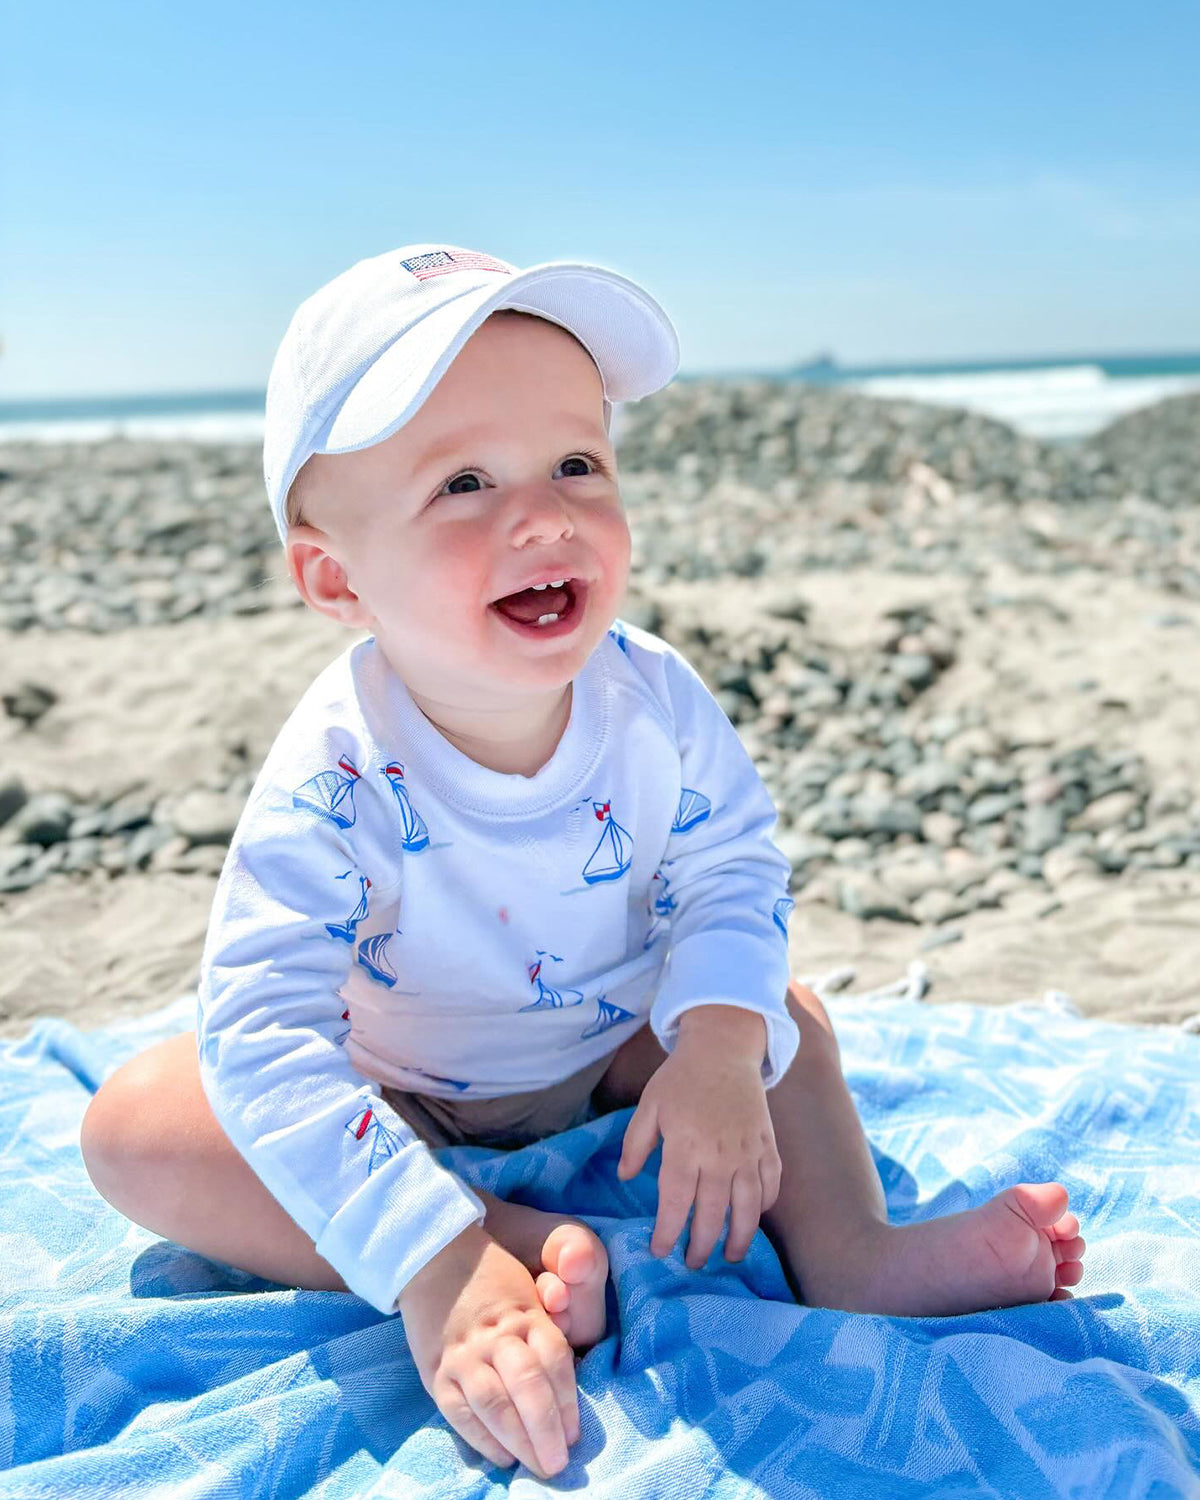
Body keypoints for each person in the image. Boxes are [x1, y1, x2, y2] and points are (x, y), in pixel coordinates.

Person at [81, 243, 1087, 1482]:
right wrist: (429, 1258)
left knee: (786, 1019)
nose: (544, 514)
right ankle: (489, 1239)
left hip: (612, 1044)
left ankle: (852, 1251)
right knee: (133, 1128)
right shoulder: (333, 775)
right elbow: (262, 1028)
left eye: (576, 464)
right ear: (337, 578)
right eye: (462, 482)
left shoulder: (652, 699)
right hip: (392, 1081)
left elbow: (730, 872)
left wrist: (716, 1049)